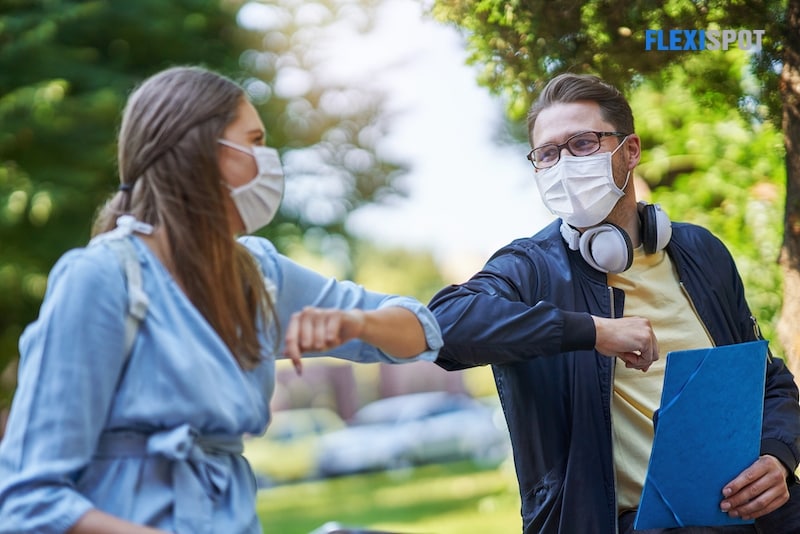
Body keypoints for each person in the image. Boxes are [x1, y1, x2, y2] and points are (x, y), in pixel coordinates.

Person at [0, 65, 442, 534]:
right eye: (253, 142)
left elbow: (419, 329)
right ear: (200, 152)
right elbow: (29, 500)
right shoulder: (102, 279)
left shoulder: (258, 273)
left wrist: (354, 324)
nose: (269, 160)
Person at [427, 73, 800, 534]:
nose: (564, 164)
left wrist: (777, 455)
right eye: (547, 154)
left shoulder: (701, 252)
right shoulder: (531, 269)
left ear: (630, 150)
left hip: (758, 520)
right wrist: (595, 331)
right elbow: (442, 327)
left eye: (582, 144)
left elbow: (770, 382)